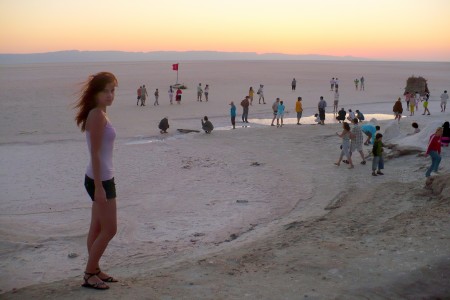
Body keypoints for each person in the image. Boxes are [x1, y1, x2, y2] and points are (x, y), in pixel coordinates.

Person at [74, 72, 119, 290]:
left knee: (97, 227)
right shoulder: (97, 116)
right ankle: (89, 273)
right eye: (106, 91)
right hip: (99, 179)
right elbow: (94, 153)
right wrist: (100, 187)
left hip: (100, 177)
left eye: (113, 90)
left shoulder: (99, 113)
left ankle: (95, 268)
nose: (110, 95)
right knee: (110, 229)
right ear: (96, 93)